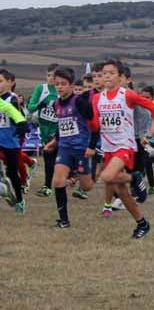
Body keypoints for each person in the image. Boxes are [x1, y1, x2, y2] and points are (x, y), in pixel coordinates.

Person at [91, 59, 154, 239]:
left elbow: (151, 105)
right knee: (121, 191)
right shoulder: (97, 98)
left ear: (120, 76)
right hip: (108, 147)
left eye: (111, 73)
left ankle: (135, 177)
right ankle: (142, 224)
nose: (107, 76)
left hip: (124, 145)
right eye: (103, 73)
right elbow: (94, 125)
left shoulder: (127, 95)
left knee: (106, 176)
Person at [47, 66, 96, 227]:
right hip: (65, 148)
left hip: (82, 149)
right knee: (58, 181)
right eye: (57, 84)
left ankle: (87, 173)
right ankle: (63, 220)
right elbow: (62, 126)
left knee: (86, 186)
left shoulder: (80, 102)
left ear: (71, 84)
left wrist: (92, 146)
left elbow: (95, 125)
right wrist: (55, 141)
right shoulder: (56, 104)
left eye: (63, 84)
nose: (59, 87)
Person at [26, 64, 60, 197]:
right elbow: (30, 108)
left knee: (57, 159)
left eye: (53, 75)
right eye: (48, 75)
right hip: (44, 130)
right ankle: (48, 185)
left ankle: (49, 185)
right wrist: (40, 105)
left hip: (59, 130)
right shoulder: (41, 88)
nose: (50, 78)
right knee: (49, 160)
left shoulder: (62, 89)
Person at [0, 77, 30, 211]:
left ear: (10, 82)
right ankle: (2, 186)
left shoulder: (12, 98)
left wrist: (21, 122)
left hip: (10, 140)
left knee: (12, 172)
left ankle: (19, 199)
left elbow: (13, 112)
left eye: (0, 81)